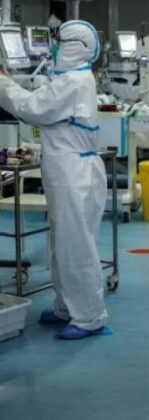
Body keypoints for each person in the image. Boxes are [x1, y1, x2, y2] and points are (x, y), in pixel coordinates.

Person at [0, 20, 108, 340]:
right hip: (69, 170)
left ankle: (89, 317)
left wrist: (2, 83)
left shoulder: (73, 82)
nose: (55, 49)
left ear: (74, 47)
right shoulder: (73, 79)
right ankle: (66, 307)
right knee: (61, 243)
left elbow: (31, 107)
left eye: (60, 44)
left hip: (74, 173)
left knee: (76, 246)